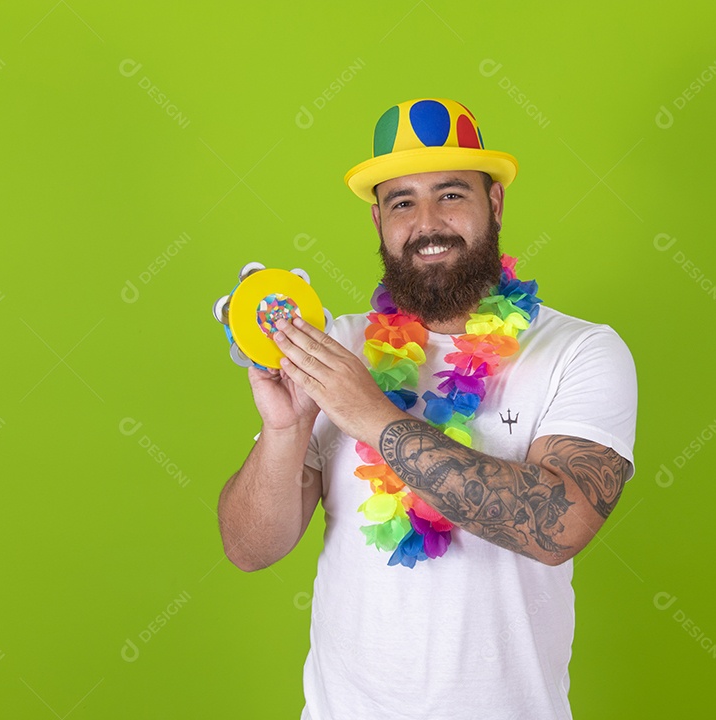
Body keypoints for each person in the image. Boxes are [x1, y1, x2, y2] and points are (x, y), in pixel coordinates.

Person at [217, 97, 638, 720]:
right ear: (378, 221)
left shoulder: (579, 350)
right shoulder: (338, 347)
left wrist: (369, 413)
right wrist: (286, 429)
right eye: (402, 202)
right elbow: (250, 549)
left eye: (450, 194)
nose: (428, 223)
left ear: (494, 204)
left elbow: (560, 526)